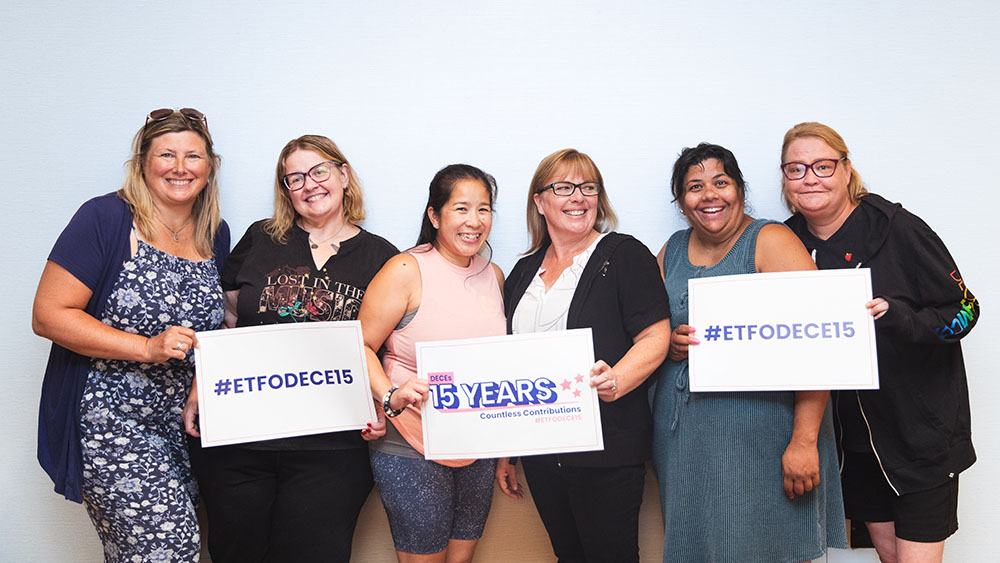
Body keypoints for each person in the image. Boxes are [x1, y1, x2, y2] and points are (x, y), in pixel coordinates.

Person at [182, 135, 397, 563]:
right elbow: (224, 321)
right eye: (294, 178)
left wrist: (380, 402)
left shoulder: (382, 257)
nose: (309, 184)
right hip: (241, 441)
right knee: (236, 552)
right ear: (286, 190)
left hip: (331, 449)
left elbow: (383, 347)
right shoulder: (260, 239)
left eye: (319, 171)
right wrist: (199, 384)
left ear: (343, 175)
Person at [32, 108, 229, 562]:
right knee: (169, 546)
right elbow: (48, 315)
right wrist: (145, 347)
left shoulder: (215, 233)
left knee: (141, 552)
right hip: (108, 418)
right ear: (143, 162)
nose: (180, 167)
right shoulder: (106, 218)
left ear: (209, 166)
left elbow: (215, 325)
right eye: (166, 155)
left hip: (177, 426)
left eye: (193, 156)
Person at [780, 122, 977, 563]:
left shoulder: (899, 228)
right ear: (785, 179)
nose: (810, 178)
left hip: (919, 437)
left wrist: (901, 318)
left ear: (846, 169)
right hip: (853, 443)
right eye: (796, 169)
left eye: (823, 166)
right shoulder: (783, 242)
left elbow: (966, 311)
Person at [651, 143, 846, 563]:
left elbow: (820, 345)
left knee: (771, 547)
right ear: (681, 202)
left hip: (763, 440)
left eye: (720, 182)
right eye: (695, 187)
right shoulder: (672, 249)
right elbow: (646, 330)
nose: (709, 195)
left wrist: (804, 441)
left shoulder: (771, 240)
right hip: (687, 446)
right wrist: (668, 342)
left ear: (740, 189)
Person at [496, 148, 671, 563]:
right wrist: (507, 451)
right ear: (540, 202)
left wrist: (618, 379)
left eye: (588, 187)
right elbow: (510, 362)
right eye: (563, 187)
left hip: (606, 447)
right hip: (541, 451)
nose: (578, 197)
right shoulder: (522, 271)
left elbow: (656, 335)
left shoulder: (625, 255)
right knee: (568, 556)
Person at [359, 164, 505, 563]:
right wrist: (389, 395)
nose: (474, 221)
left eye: (484, 209)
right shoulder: (405, 269)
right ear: (435, 216)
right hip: (411, 441)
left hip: (477, 444)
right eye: (461, 208)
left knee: (462, 560)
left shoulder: (494, 275)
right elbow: (361, 345)